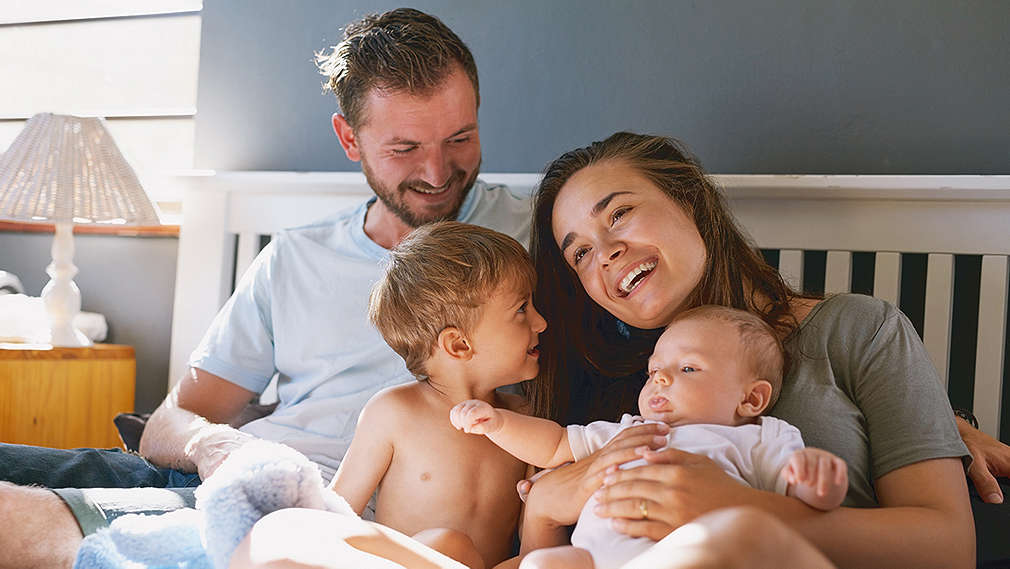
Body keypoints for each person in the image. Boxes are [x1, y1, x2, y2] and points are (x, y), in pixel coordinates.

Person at [0, 9, 530, 569]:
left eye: (460, 138)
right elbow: (171, 418)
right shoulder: (295, 258)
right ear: (349, 137)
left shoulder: (539, 240)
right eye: (404, 149)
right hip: (235, 472)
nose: (437, 170)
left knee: (18, 522)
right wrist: (218, 448)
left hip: (306, 517)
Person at [519, 131, 984, 568]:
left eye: (618, 214)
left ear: (689, 201)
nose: (604, 252)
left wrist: (738, 507)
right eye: (579, 253)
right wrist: (541, 510)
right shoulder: (610, 391)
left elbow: (949, 548)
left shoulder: (857, 331)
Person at [451, 305, 848, 569]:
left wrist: (819, 484)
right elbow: (555, 445)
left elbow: (802, 511)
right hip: (596, 561)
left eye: (688, 369)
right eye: (654, 369)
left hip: (683, 555)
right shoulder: (631, 429)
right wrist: (498, 424)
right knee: (542, 564)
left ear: (751, 398)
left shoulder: (760, 438)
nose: (660, 377)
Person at [327, 221, 544, 569]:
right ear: (459, 344)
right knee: (447, 544)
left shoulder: (525, 419)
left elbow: (535, 541)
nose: (541, 322)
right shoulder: (394, 413)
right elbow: (333, 518)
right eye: (522, 309)